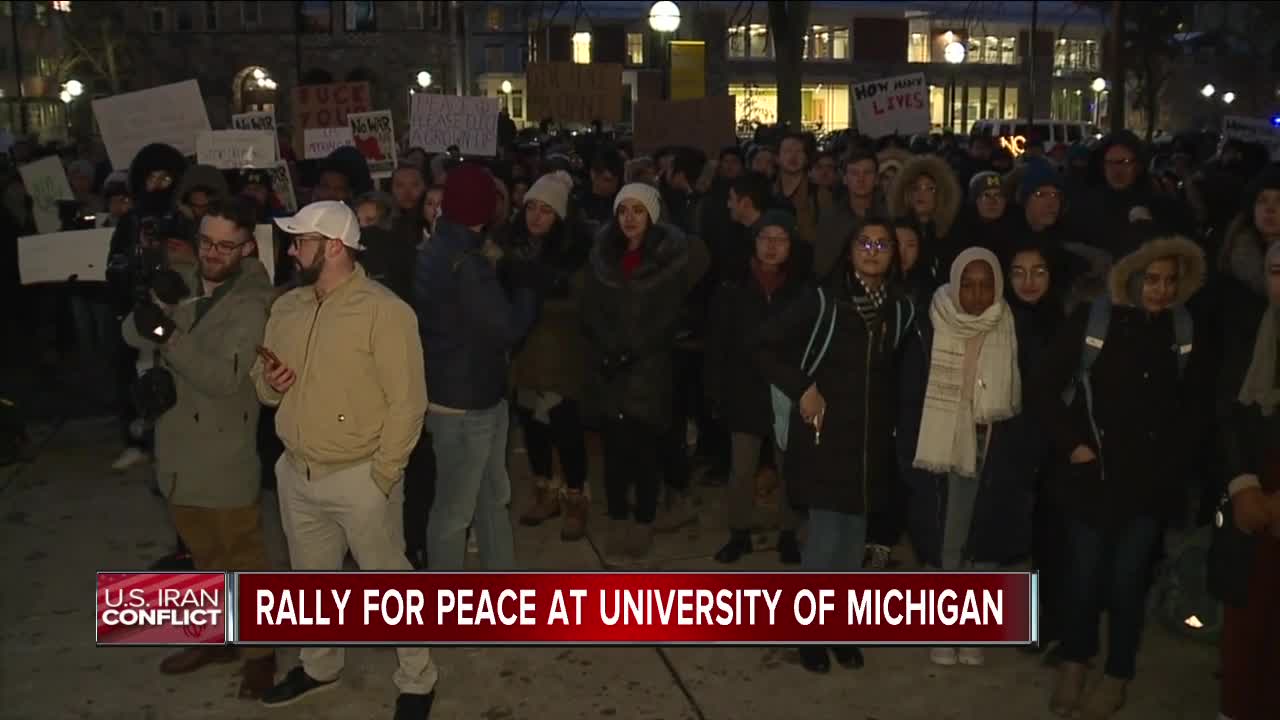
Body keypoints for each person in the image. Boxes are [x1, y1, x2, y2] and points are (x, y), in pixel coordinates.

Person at [252, 200, 436, 718]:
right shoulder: (286, 307)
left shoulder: (385, 311)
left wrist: (381, 478)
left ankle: (418, 679)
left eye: (300, 241)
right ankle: (319, 665)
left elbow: (408, 402)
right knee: (311, 580)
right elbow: (261, 385)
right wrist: (270, 384)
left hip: (361, 476)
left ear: (333, 246)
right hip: (297, 470)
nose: (291, 250)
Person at [1032, 232, 1205, 720]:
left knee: (1128, 581)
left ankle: (1118, 671)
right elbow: (1044, 388)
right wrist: (1075, 445)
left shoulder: (1185, 330)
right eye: (1152, 279)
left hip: (1148, 485)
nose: (1161, 290)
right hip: (1091, 479)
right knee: (1083, 577)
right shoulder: (1095, 320)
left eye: (1171, 281)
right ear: (1131, 277)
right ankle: (1074, 662)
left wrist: (1173, 465)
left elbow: (1195, 409)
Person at [121, 197, 276, 699]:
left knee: (241, 558)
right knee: (203, 557)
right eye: (206, 241)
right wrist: (149, 306)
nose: (212, 253)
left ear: (247, 246)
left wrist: (165, 330)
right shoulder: (183, 277)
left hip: (223, 448)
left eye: (225, 245)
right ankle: (217, 637)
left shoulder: (253, 299)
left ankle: (260, 654)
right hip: (177, 445)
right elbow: (131, 330)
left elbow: (224, 375)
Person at [755, 215, 915, 673]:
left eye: (883, 244)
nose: (873, 251)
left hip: (870, 446)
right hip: (824, 440)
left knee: (852, 544)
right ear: (849, 251)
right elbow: (763, 345)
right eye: (864, 242)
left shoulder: (900, 310)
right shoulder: (823, 302)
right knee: (824, 543)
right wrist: (802, 386)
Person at [898, 247, 1027, 668]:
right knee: (947, 537)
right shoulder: (930, 321)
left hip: (996, 447)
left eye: (985, 284)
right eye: (967, 285)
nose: (976, 294)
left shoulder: (1009, 323)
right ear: (954, 285)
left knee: (982, 538)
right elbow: (910, 392)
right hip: (943, 446)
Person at [416, 164, 537, 571]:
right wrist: (525, 290)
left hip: (453, 390)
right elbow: (506, 328)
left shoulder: (437, 247)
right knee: (457, 512)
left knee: (488, 500)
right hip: (470, 400)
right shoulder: (466, 260)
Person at [581, 182, 702, 562]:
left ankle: (643, 522)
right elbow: (591, 307)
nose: (630, 218)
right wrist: (606, 347)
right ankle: (618, 518)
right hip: (609, 367)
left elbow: (670, 314)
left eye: (638, 210)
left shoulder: (670, 259)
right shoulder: (602, 256)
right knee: (614, 451)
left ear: (652, 215)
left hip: (650, 367)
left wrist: (636, 349)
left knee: (645, 450)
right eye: (623, 210)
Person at [706, 211, 811, 565]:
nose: (771, 246)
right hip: (743, 389)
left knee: (790, 466)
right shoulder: (732, 286)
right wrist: (716, 393)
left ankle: (788, 533)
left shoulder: (802, 289)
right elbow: (716, 344)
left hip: (786, 390)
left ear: (791, 246)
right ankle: (739, 532)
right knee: (741, 468)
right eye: (765, 237)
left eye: (780, 239)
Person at [506, 171, 593, 541]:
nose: (536, 217)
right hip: (524, 356)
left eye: (546, 210)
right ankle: (544, 492)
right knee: (533, 428)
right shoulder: (511, 247)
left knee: (566, 429)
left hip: (561, 356)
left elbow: (581, 303)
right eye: (532, 208)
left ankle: (575, 498)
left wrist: (539, 287)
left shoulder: (577, 253)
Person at [1218, 240, 1280, 720]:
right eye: (1277, 270)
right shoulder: (1248, 333)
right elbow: (1225, 413)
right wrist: (1241, 483)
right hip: (1253, 491)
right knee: (1250, 618)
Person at [887, 155, 961, 297]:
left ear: (941, 194)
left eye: (930, 188)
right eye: (916, 188)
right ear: (906, 192)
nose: (922, 193)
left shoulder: (952, 233)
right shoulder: (895, 229)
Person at [815, 150, 883, 278]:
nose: (861, 179)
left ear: (876, 179)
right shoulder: (830, 218)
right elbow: (822, 266)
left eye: (867, 173)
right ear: (845, 179)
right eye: (854, 173)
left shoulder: (888, 215)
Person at [775, 133, 831, 247]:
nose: (793, 156)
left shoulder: (819, 194)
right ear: (777, 158)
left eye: (798, 151)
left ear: (806, 158)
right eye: (787, 151)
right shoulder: (768, 191)